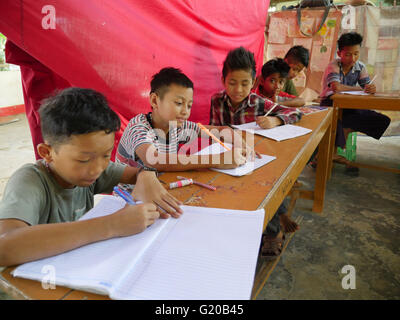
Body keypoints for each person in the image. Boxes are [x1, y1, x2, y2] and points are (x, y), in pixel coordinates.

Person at [0, 88, 183, 267]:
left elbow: (137, 173)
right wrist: (112, 224)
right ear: (47, 153)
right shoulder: (29, 181)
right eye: (84, 159)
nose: (97, 169)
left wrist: (146, 176)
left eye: (106, 155)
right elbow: (5, 247)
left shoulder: (88, 170)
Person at [209, 47, 302, 260]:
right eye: (232, 83)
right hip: (228, 159)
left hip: (258, 158)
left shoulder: (259, 103)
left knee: (266, 187)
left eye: (244, 83)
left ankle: (273, 229)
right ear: (223, 80)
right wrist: (222, 137)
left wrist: (275, 120)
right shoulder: (216, 100)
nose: (238, 89)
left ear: (253, 82)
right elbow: (213, 131)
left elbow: (295, 111)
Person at [117, 67, 254, 172]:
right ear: (154, 100)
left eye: (189, 106)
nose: (185, 112)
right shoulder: (138, 127)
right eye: (178, 103)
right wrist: (218, 159)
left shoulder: (178, 126)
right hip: (129, 199)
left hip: (162, 190)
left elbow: (222, 130)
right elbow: (155, 160)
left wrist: (241, 145)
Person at [320, 32, 390, 173]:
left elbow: (367, 87)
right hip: (330, 104)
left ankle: (335, 150)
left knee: (381, 120)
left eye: (356, 54)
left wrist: (371, 88)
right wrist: (361, 88)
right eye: (348, 54)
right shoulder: (333, 65)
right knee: (342, 119)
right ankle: (332, 153)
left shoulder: (360, 67)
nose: (353, 58)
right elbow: (336, 87)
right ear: (339, 53)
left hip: (350, 106)